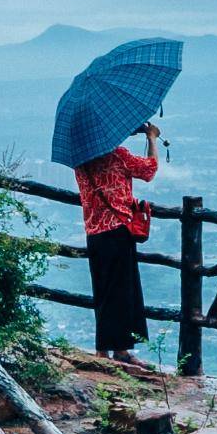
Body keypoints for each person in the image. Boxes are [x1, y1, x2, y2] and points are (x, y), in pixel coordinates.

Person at [74, 121, 167, 357]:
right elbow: (149, 170)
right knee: (121, 291)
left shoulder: (80, 161)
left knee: (103, 291)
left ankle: (104, 350)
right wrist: (152, 138)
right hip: (117, 230)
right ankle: (121, 350)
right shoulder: (117, 156)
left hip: (94, 232)